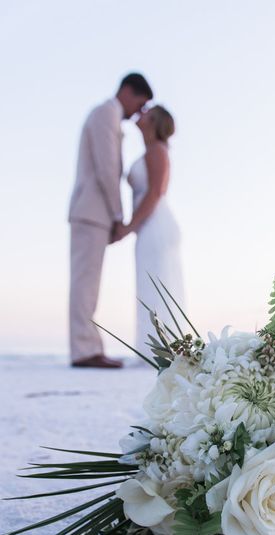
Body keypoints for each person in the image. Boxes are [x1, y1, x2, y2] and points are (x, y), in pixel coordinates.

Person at [68, 73, 153, 368]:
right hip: (92, 211)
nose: (138, 112)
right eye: (140, 104)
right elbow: (107, 170)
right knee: (84, 282)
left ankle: (86, 346)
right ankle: (84, 350)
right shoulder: (106, 113)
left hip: (93, 212)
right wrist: (118, 216)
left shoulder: (109, 116)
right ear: (129, 91)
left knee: (88, 282)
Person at [114, 106, 185, 360]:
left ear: (154, 121)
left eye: (147, 112)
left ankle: (161, 350)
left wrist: (127, 227)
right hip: (150, 226)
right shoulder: (151, 151)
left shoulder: (157, 151)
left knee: (157, 284)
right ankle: (155, 348)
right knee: (150, 285)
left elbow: (155, 194)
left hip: (156, 226)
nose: (141, 113)